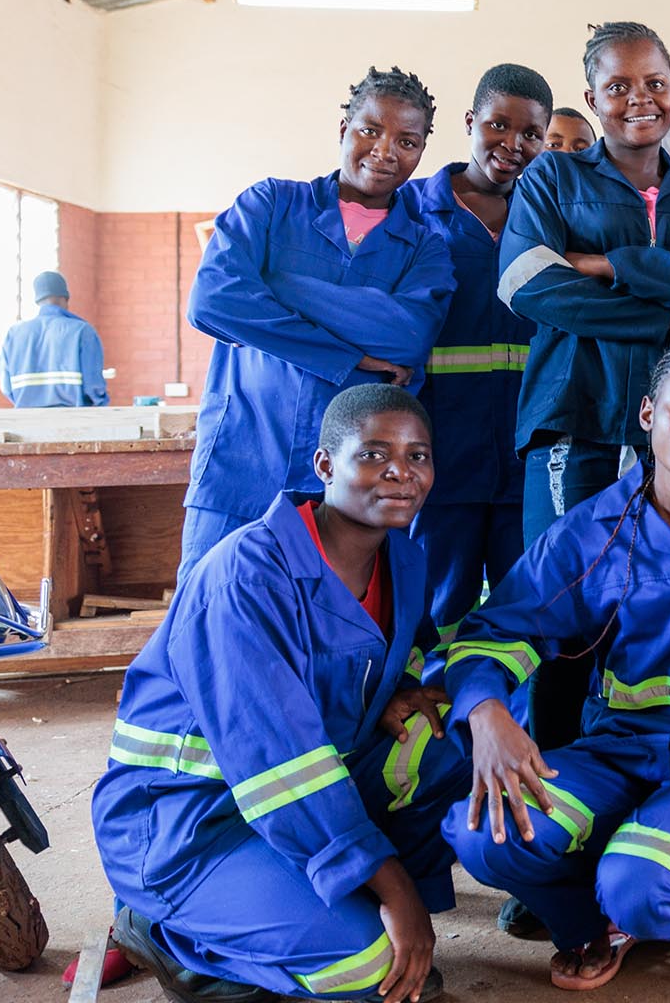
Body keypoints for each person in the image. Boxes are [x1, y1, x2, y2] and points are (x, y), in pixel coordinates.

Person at [443, 341, 670, 987]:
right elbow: (497, 627)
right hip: (622, 753)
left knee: (642, 886)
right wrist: (486, 710)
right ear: (648, 414)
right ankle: (591, 922)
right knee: (485, 833)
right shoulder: (597, 528)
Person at [94, 385, 470, 1003]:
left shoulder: (403, 559)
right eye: (374, 454)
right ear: (324, 466)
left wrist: (401, 684)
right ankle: (164, 934)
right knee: (366, 967)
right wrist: (394, 887)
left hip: (293, 805)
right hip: (186, 820)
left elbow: (390, 648)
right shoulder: (246, 574)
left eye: (418, 455)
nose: (401, 471)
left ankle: (361, 910)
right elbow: (279, 762)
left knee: (443, 736)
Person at [181, 67, 453, 581]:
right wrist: (347, 358)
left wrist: (276, 281)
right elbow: (213, 301)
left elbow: (408, 336)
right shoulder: (270, 204)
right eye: (370, 129)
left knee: (332, 629)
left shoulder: (425, 247)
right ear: (343, 126)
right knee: (207, 616)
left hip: (348, 490)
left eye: (408, 140)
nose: (385, 150)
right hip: (241, 463)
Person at [500, 21, 670, 546]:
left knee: (668, 594)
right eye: (618, 87)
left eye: (655, 83)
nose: (639, 99)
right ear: (591, 99)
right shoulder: (552, 179)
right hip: (573, 423)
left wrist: (609, 265)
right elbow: (526, 283)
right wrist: (666, 312)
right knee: (563, 594)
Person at [407, 64, 551, 634]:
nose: (513, 145)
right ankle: (437, 722)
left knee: (525, 608)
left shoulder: (550, 218)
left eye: (531, 134)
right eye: (497, 125)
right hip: (438, 457)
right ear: (470, 121)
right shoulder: (414, 211)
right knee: (439, 607)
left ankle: (508, 721)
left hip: (528, 459)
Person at [0, 271, 106, 407]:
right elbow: (93, 387)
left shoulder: (13, 334)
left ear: (37, 300)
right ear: (66, 298)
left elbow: (6, 388)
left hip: (26, 423)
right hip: (74, 423)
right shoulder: (82, 331)